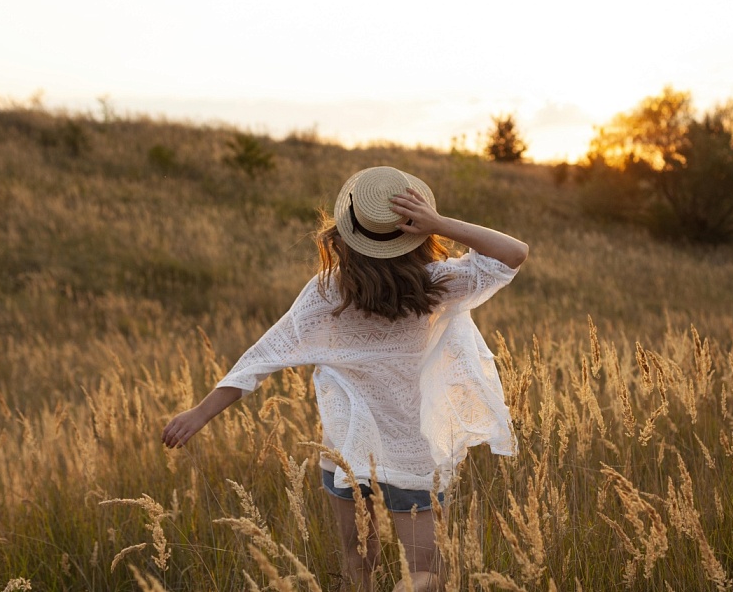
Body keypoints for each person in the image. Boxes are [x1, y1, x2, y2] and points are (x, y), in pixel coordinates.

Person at [162, 166, 528, 591]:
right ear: (415, 234)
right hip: (415, 456)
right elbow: (513, 253)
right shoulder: (440, 283)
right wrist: (439, 223)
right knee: (426, 576)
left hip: (347, 452)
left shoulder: (328, 293)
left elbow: (261, 358)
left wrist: (200, 413)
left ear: (345, 233)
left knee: (357, 570)